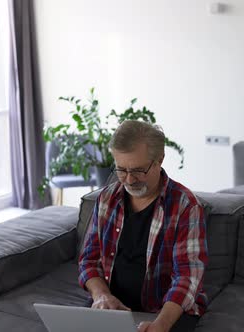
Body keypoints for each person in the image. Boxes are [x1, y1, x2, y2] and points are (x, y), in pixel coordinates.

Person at [78, 120, 208, 332]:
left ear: (160, 160)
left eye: (138, 170)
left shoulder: (186, 206)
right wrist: (102, 295)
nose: (129, 180)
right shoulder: (106, 198)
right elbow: (89, 260)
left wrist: (161, 325)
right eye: (121, 169)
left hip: (165, 310)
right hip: (113, 303)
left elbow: (187, 276)